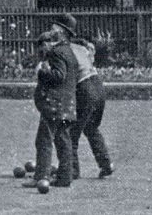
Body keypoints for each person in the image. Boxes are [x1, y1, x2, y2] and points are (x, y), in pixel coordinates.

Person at [50, 13, 114, 179]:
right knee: (91, 127)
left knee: (71, 133)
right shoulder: (79, 48)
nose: (51, 33)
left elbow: (65, 79)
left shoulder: (63, 50)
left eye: (54, 30)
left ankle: (72, 170)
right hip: (98, 86)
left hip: (85, 89)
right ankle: (106, 164)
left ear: (63, 33)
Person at [24, 28, 78, 188]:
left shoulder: (56, 52)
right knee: (63, 141)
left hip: (54, 105)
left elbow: (59, 75)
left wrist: (41, 72)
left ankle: (41, 177)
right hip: (67, 106)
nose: (41, 52)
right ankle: (65, 177)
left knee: (43, 141)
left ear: (48, 43)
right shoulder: (68, 51)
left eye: (42, 47)